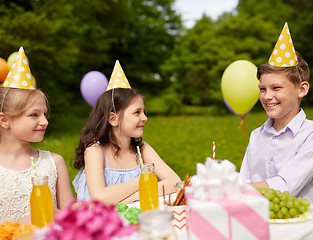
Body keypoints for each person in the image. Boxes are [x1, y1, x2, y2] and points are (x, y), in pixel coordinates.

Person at [240, 23, 313, 208]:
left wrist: (229, 189)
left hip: (305, 228)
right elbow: (244, 181)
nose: (267, 96)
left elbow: (284, 186)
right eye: (262, 89)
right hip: (263, 225)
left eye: (276, 88)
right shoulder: (256, 136)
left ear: (302, 89)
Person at [72, 60, 180, 204]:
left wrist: (132, 197)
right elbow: (100, 198)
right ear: (113, 119)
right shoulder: (95, 150)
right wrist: (143, 181)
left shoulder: (141, 149)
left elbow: (174, 182)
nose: (145, 118)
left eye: (144, 112)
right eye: (137, 112)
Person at [0, 47, 74, 223]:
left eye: (45, 114)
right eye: (34, 115)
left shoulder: (54, 163)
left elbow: (71, 221)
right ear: (4, 120)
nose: (45, 122)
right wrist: (26, 221)